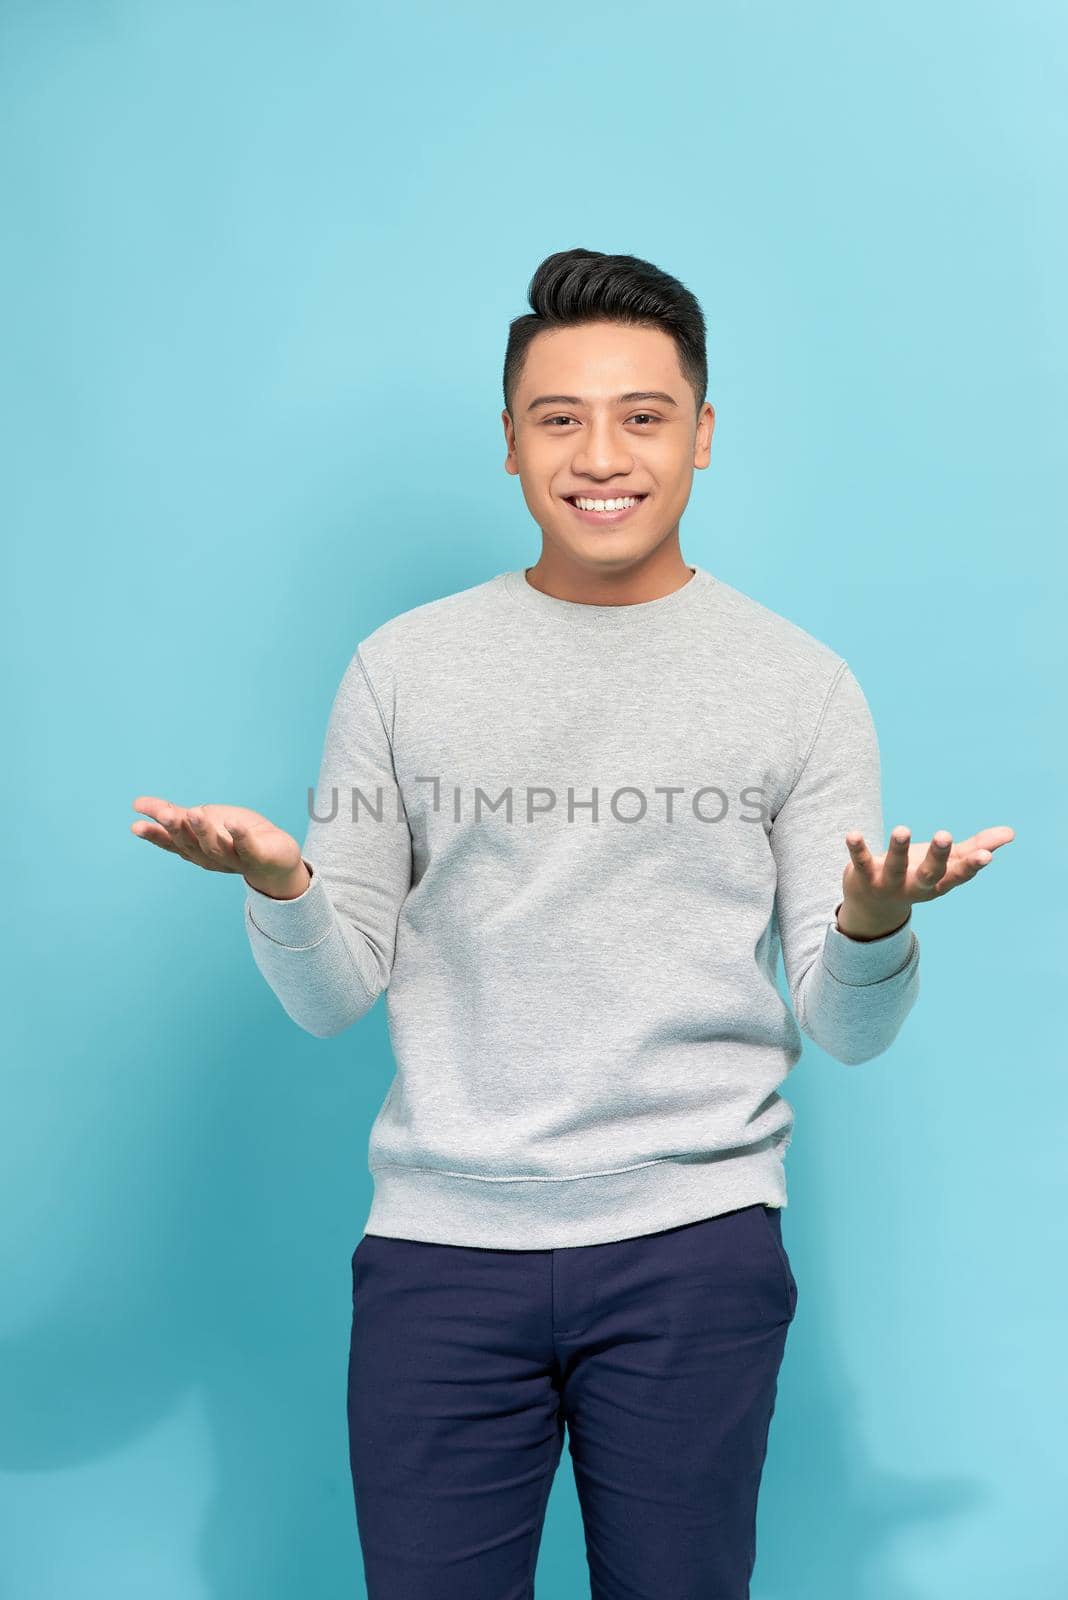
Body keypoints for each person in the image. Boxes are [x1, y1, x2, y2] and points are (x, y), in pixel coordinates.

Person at [131, 247, 1015, 1600]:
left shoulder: (802, 688)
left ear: (703, 435)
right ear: (510, 443)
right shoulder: (401, 669)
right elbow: (332, 995)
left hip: (695, 1251)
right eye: (561, 417)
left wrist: (877, 924)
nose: (603, 454)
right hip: (441, 1257)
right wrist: (282, 887)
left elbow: (845, 1026)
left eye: (644, 415)